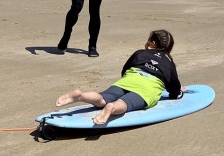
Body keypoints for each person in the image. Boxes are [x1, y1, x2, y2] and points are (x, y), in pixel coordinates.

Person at [55, 30, 183, 125]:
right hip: (147, 87)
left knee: (102, 98)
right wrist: (178, 92)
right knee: (125, 103)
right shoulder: (169, 63)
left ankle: (80, 96)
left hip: (128, 79)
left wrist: (125, 83)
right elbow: (174, 89)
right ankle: (112, 108)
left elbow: (125, 69)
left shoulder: (140, 53)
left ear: (152, 43)